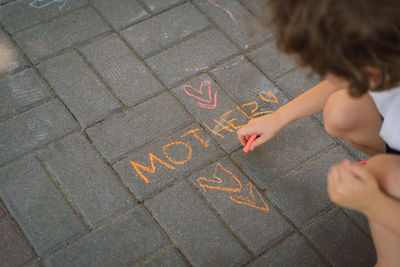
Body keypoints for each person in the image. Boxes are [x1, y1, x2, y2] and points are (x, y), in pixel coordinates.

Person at [237, 1, 400, 266]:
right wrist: (279, 117)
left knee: (384, 176)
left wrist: (372, 202)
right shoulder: (387, 53)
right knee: (341, 110)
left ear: (371, 72)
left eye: (326, 70)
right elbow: (349, 80)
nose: (322, 76)